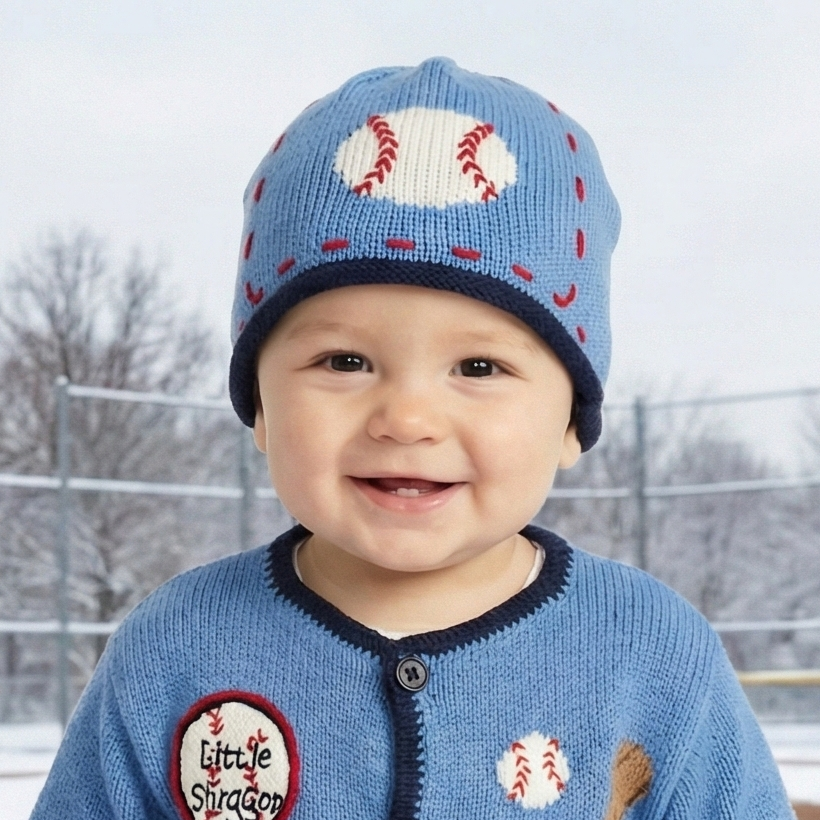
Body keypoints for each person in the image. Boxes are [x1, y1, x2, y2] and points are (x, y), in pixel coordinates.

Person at [32, 57, 792, 820]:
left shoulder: (652, 651)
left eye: (479, 366)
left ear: (570, 419)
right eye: (345, 361)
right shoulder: (176, 644)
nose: (406, 418)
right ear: (260, 406)